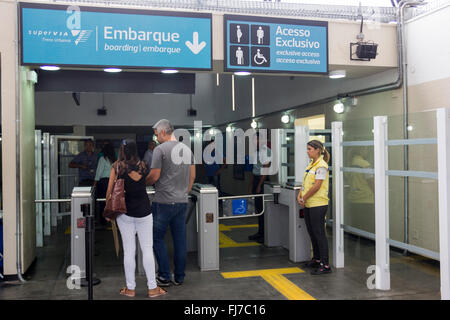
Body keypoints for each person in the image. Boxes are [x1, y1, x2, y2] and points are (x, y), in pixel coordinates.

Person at [105, 139, 166, 298]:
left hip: (124, 213)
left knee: (129, 251)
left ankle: (130, 289)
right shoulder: (144, 165)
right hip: (144, 212)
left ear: (122, 151)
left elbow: (109, 192)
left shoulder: (117, 167)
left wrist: (109, 211)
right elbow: (152, 179)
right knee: (147, 249)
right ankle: (153, 288)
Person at [146, 119, 196, 287]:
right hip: (181, 202)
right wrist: (185, 193)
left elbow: (154, 176)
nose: (155, 138)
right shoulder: (187, 149)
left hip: (163, 202)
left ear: (162, 132)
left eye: (156, 134)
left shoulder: (160, 150)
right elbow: (193, 176)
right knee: (180, 240)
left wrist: (141, 183)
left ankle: (165, 275)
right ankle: (179, 277)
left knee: (156, 238)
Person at [297, 140, 331, 275]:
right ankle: (316, 259)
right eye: (307, 149)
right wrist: (300, 195)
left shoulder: (321, 165)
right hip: (309, 204)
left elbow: (317, 186)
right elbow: (306, 182)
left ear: (318, 150)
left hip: (318, 204)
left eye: (310, 149)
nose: (307, 151)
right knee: (312, 232)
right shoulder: (312, 164)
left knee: (319, 234)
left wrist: (303, 198)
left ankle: (325, 264)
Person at [248, 132, 271, 244]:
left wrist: (259, 185)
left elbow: (265, 169)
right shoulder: (256, 152)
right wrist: (251, 185)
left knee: (263, 209)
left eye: (256, 140)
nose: (254, 142)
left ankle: (265, 234)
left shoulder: (266, 151)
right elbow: (254, 169)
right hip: (256, 179)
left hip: (263, 180)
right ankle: (260, 232)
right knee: (258, 209)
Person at [94, 143, 116, 227]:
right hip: (113, 182)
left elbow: (98, 173)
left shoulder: (102, 159)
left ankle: (103, 221)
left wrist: (94, 184)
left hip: (103, 183)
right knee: (111, 202)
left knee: (102, 202)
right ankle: (112, 220)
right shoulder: (114, 160)